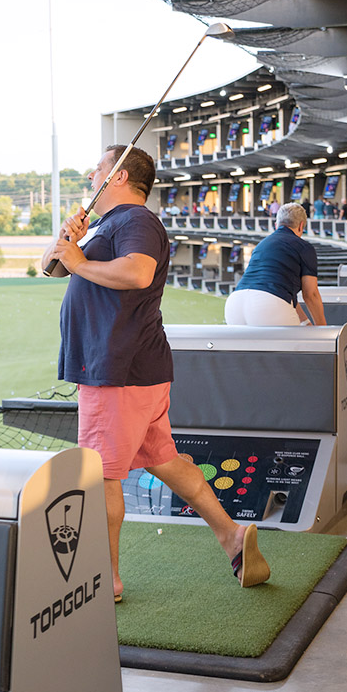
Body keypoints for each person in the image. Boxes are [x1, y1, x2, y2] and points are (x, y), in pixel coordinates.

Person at [42, 145, 270, 601]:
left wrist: (81, 260)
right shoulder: (106, 225)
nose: (91, 176)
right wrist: (70, 242)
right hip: (133, 369)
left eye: (99, 170)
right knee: (166, 462)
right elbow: (48, 269)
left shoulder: (136, 221)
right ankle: (232, 538)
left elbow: (139, 272)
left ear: (120, 176)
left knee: (102, 474)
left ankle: (106, 581)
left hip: (117, 370)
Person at [224, 202, 327, 326]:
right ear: (301, 226)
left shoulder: (261, 245)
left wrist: (305, 322)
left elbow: (285, 294)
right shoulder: (304, 247)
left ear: (276, 225)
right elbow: (311, 294)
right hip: (269, 305)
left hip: (234, 304)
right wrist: (323, 330)